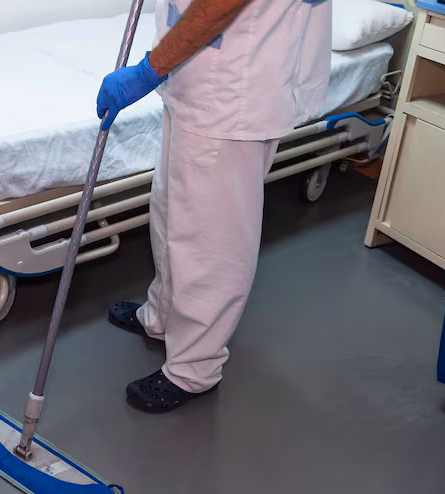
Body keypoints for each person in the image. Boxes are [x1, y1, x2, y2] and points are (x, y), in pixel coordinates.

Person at [97, 0, 332, 413]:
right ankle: (162, 316)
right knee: (171, 214)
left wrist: (148, 70)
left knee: (210, 243)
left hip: (230, 94)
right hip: (194, 76)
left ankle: (193, 368)